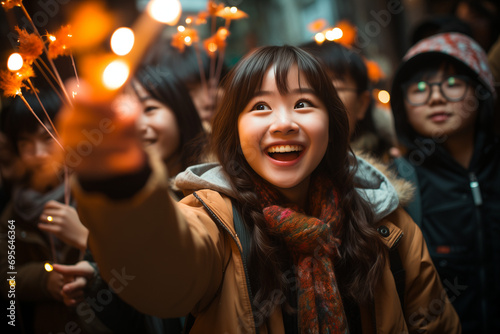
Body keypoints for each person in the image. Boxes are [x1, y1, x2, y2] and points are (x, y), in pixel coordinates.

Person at [57, 45, 460, 333]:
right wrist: (122, 185)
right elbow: (164, 279)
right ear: (233, 129)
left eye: (303, 103)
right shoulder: (215, 219)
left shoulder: (386, 222)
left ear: (333, 125)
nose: (283, 122)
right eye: (260, 107)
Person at [54, 65, 207, 334]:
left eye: (149, 109)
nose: (134, 123)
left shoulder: (216, 189)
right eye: (120, 113)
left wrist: (86, 239)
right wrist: (98, 277)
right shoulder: (111, 204)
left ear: (180, 110)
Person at [390, 32, 499, 334]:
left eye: (452, 84)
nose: (435, 97)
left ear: (481, 91)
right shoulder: (396, 184)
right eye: (420, 88)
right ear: (403, 105)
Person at [0, 90, 89, 334]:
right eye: (25, 143)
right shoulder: (13, 214)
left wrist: (85, 239)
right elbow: (6, 277)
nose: (38, 153)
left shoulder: (95, 191)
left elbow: (132, 260)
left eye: (47, 137)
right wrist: (44, 278)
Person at [300, 40, 396, 161]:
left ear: (361, 104)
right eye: (304, 90)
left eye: (334, 88)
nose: (318, 100)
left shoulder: (393, 172)